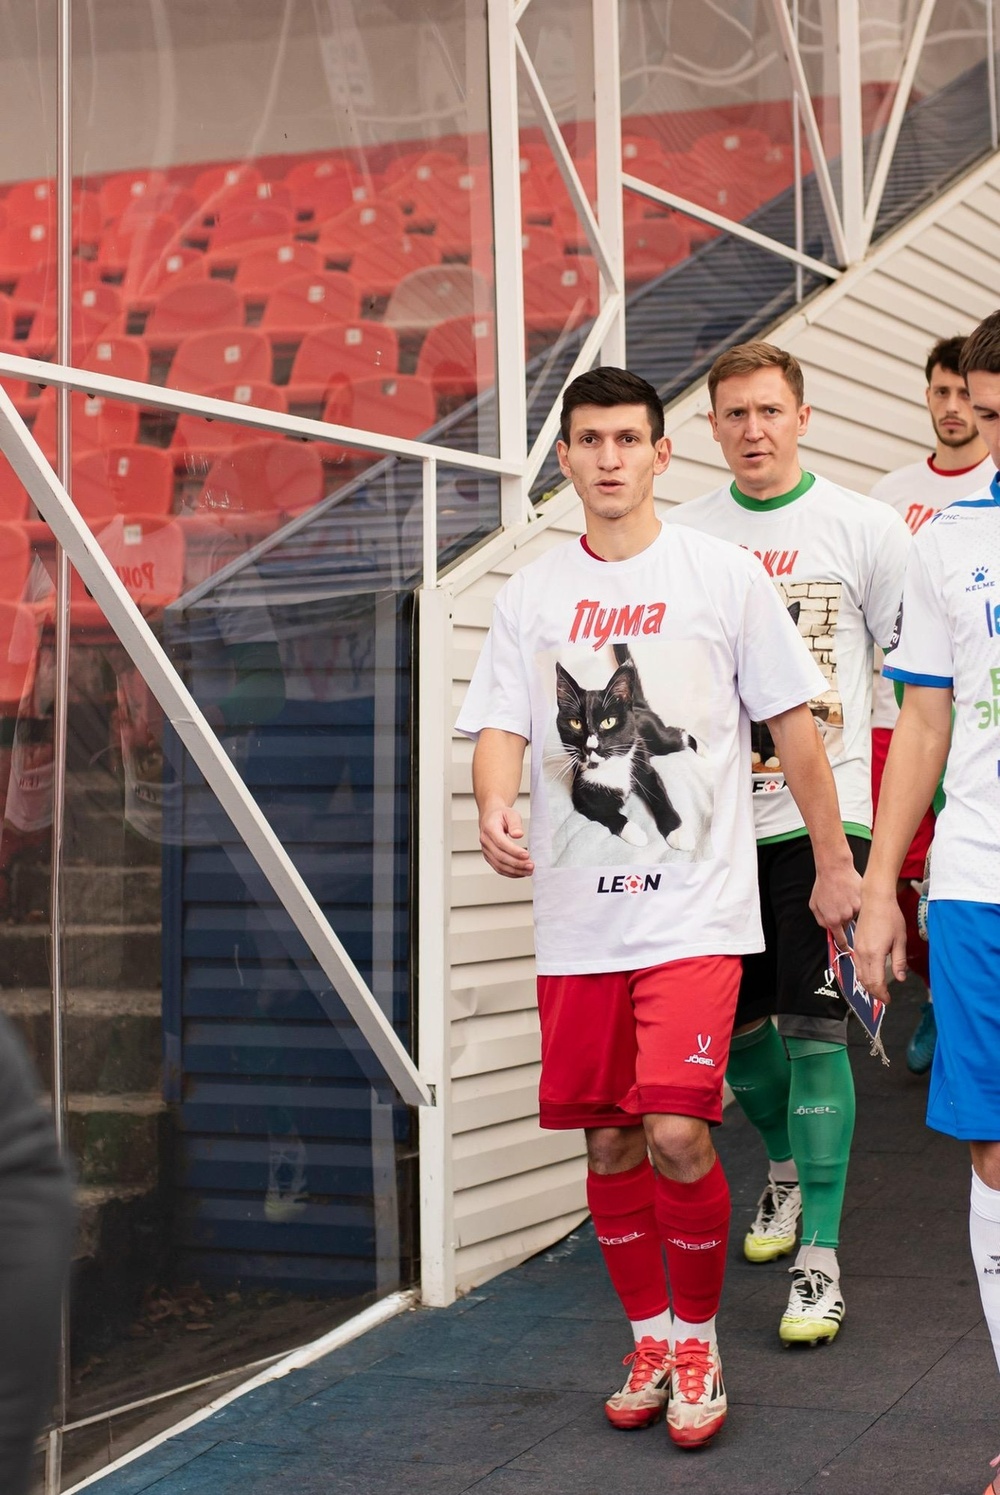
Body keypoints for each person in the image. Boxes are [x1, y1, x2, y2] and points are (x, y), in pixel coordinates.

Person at [457, 366, 859, 1449]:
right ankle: (648, 1337)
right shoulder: (531, 594)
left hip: (695, 914)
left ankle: (698, 1342)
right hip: (579, 925)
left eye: (627, 439)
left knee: (678, 1131)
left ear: (660, 452)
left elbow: (795, 726)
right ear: (564, 460)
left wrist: (834, 864)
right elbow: (500, 724)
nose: (609, 458)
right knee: (608, 1146)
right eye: (589, 441)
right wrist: (492, 804)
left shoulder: (721, 576)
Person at [667, 342, 910, 1346]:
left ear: (803, 417)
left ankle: (821, 1256)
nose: (753, 429)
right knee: (736, 1037)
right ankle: (781, 1167)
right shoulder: (683, 537)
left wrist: (877, 858)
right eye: (735, 413)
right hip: (714, 829)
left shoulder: (864, 528)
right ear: (711, 427)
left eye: (770, 410)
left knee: (816, 1034)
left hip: (824, 820)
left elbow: (916, 685)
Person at [854, 309, 1000, 1495]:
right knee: (995, 1153)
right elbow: (923, 722)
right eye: (991, 416)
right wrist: (877, 889)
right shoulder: (947, 540)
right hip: (978, 885)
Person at [869, 334, 993, 1074]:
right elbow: (922, 712)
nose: (958, 412)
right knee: (988, 1128)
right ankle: (939, 999)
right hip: (976, 864)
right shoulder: (926, 521)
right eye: (991, 414)